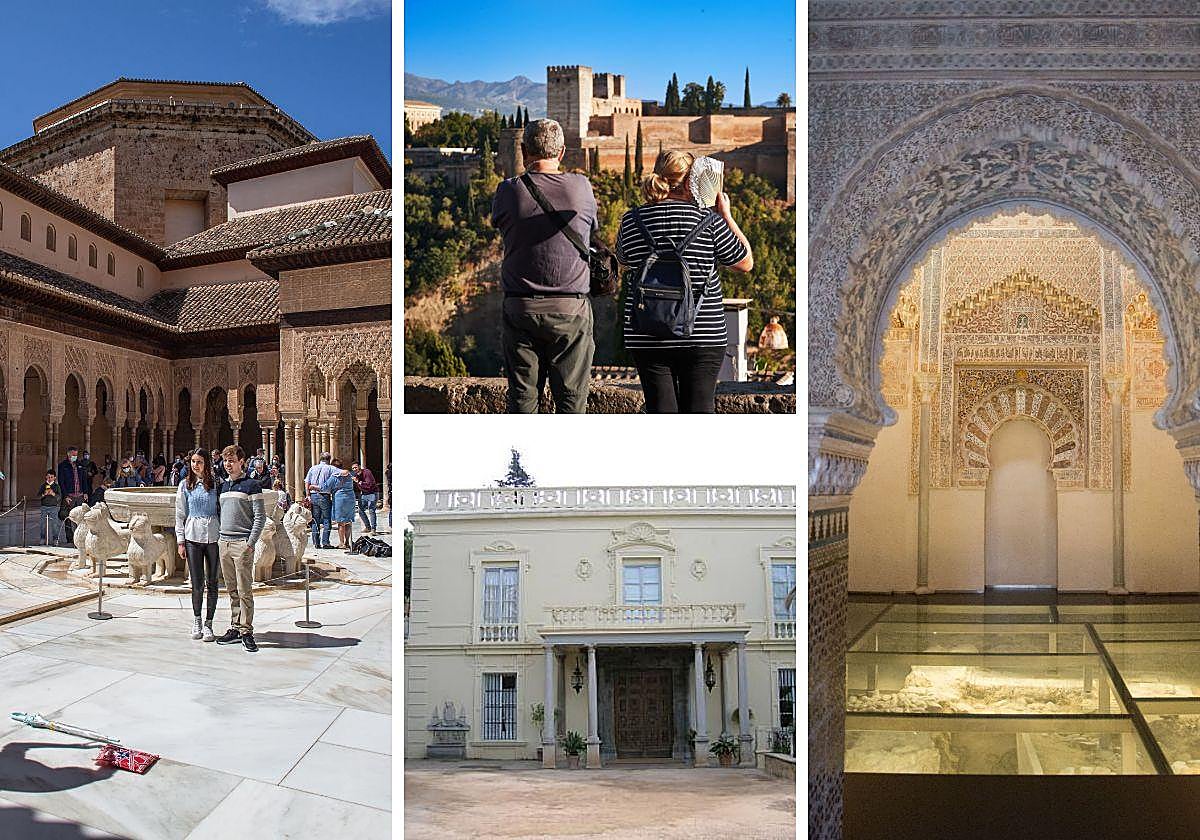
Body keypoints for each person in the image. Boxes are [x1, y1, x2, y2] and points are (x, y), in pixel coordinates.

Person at [616, 150, 754, 413]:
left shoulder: (632, 221)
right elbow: (745, 262)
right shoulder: (709, 222)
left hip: (648, 333)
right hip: (702, 334)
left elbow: (624, 259)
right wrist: (726, 215)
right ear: (694, 181)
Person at [491, 118, 598, 413]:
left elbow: (499, 223)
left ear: (524, 151)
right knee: (571, 402)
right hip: (571, 310)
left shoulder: (508, 190)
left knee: (523, 402)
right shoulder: (581, 186)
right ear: (562, 152)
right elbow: (592, 229)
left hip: (521, 308)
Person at [214, 445, 266, 653]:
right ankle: (235, 627)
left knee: (245, 590)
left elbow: (260, 517)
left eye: (232, 461)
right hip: (224, 543)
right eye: (226, 461)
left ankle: (247, 631)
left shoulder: (252, 485)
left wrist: (250, 543)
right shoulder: (223, 487)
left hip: (241, 544)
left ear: (241, 462)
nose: (228, 464)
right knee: (232, 589)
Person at [174, 449, 221, 642]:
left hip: (213, 536)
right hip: (192, 536)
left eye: (199, 462)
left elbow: (222, 508)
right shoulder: (185, 485)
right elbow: (180, 513)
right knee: (197, 583)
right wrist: (180, 541)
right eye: (193, 461)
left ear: (206, 464)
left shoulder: (216, 484)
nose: (195, 465)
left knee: (213, 582)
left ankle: (209, 623)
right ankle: (197, 620)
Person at [304, 452, 337, 550]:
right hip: (324, 496)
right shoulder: (331, 468)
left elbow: (307, 482)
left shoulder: (313, 468)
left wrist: (307, 495)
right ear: (329, 459)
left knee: (315, 520)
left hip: (313, 495)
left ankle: (316, 543)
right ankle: (325, 542)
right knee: (327, 519)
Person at [56, 446, 89, 542]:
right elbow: (61, 482)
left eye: (76, 455)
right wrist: (65, 495)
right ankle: (70, 538)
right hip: (69, 496)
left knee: (81, 517)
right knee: (68, 517)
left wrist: (85, 492)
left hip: (80, 495)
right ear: (68, 454)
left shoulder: (80, 465)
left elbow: (84, 480)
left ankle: (80, 537)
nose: (75, 456)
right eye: (73, 454)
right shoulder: (63, 466)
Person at [322, 460, 356, 551]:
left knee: (341, 522)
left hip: (340, 499)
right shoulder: (349, 475)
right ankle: (347, 542)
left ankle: (341, 543)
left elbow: (325, 487)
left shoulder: (335, 476)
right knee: (348, 521)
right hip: (350, 498)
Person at [351, 462, 379, 535]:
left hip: (372, 493)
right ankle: (368, 527)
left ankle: (373, 529)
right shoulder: (356, 475)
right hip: (364, 494)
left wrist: (359, 482)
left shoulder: (367, 472)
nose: (354, 469)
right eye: (353, 468)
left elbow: (369, 485)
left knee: (371, 510)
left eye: (355, 467)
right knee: (360, 510)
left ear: (359, 466)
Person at [37, 471, 62, 545]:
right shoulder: (43, 485)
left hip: (54, 507)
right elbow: (38, 496)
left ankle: (55, 539)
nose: (50, 478)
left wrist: (53, 494)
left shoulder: (56, 486)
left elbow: (59, 497)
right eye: (48, 477)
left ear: (54, 478)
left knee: (54, 524)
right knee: (42, 524)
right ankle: (42, 538)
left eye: (51, 477)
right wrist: (43, 494)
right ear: (46, 477)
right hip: (44, 507)